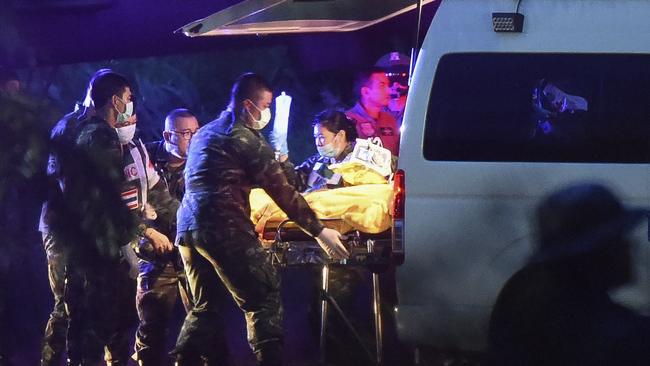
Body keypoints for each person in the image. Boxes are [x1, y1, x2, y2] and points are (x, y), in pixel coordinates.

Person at [172, 72, 349, 366]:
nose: (267, 112)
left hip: (188, 228)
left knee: (205, 307)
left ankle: (182, 361)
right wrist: (319, 232)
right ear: (248, 105)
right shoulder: (245, 139)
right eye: (265, 105)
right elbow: (283, 191)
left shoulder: (205, 132)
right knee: (263, 298)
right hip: (224, 227)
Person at [50, 69, 178, 365]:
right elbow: (105, 200)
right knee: (95, 327)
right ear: (116, 101)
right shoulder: (101, 135)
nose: (132, 107)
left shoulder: (72, 130)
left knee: (82, 327)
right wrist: (143, 231)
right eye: (129, 99)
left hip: (75, 243)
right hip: (95, 248)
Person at [488, 183, 650, 366]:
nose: (629, 247)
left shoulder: (524, 297)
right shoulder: (616, 336)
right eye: (618, 238)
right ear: (594, 251)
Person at [134, 108, 230, 365]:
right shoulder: (145, 159)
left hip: (194, 253)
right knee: (151, 327)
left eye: (197, 131)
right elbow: (129, 202)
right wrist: (146, 227)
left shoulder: (204, 160)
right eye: (186, 133)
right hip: (158, 253)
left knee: (207, 327)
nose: (194, 138)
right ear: (168, 134)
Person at [288, 109, 358, 193]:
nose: (318, 143)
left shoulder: (358, 165)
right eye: (316, 137)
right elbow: (294, 180)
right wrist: (283, 158)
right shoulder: (319, 159)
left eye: (321, 137)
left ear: (340, 135)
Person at [346, 67, 400, 156]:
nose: (389, 90)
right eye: (381, 85)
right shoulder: (348, 121)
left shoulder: (389, 120)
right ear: (366, 92)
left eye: (388, 85)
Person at [375, 51, 410, 128]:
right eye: (390, 79)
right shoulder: (371, 112)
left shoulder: (421, 109)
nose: (395, 85)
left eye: (402, 78)